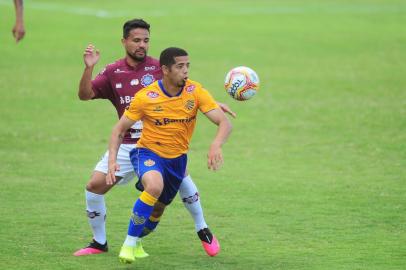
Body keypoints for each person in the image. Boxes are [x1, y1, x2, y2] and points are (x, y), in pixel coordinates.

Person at [74, 19, 235, 258]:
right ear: (124, 42)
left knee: (174, 191)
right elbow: (85, 95)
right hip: (127, 144)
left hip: (160, 143)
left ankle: (199, 228)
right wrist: (88, 68)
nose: (142, 45)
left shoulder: (160, 66)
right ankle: (99, 242)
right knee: (93, 187)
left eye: (146, 40)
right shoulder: (112, 71)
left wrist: (210, 103)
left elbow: (185, 88)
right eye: (136, 40)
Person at [107, 47, 232, 264]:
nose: (185, 71)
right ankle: (128, 244)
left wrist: (216, 144)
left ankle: (137, 240)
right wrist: (111, 162)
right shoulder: (146, 97)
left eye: (188, 66)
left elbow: (224, 122)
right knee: (154, 186)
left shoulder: (195, 91)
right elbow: (118, 130)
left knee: (157, 211)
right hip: (147, 152)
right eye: (180, 66)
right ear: (165, 69)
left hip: (176, 159)